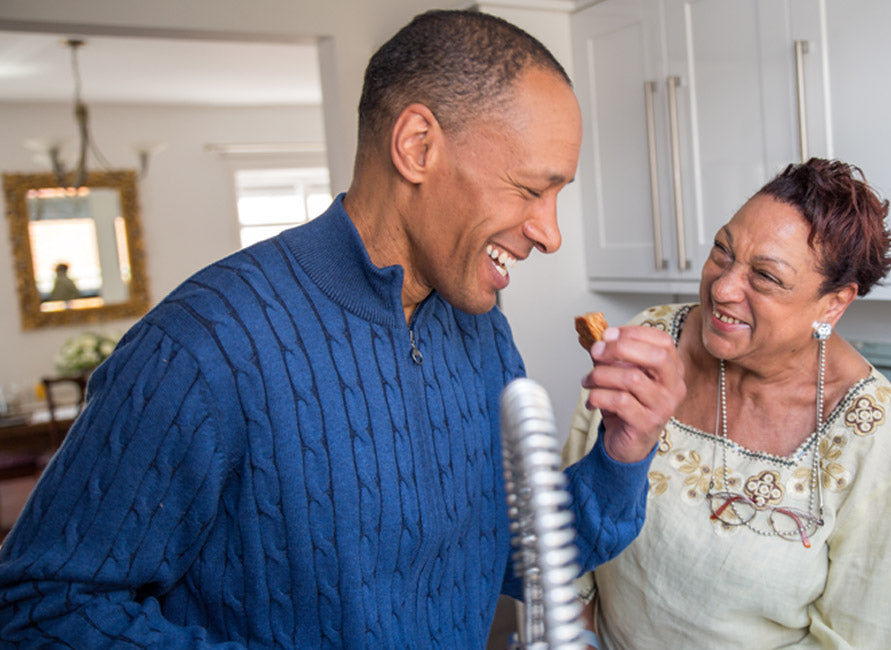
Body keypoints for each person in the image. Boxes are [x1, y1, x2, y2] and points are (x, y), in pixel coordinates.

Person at [0, 10, 685, 648]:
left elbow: (510, 553)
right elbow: (40, 605)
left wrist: (623, 455)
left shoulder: (481, 331)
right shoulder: (204, 346)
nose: (551, 232)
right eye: (532, 189)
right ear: (417, 147)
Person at [565, 158, 891, 648]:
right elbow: (566, 539)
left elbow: (870, 633)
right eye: (722, 251)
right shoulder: (651, 343)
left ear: (834, 303)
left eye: (765, 277)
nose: (723, 287)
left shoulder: (873, 428)